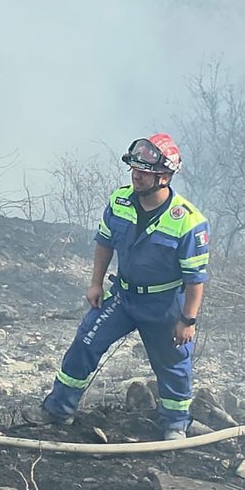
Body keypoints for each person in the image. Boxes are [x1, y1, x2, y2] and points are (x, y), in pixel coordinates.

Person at [27, 133, 211, 441]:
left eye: (144, 172)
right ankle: (58, 410)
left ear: (164, 177)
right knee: (86, 342)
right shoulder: (120, 200)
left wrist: (187, 321)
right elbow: (104, 243)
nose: (135, 176)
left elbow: (195, 278)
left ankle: (176, 423)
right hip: (123, 296)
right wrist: (95, 283)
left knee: (172, 364)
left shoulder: (189, 222)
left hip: (165, 304)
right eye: (134, 170)